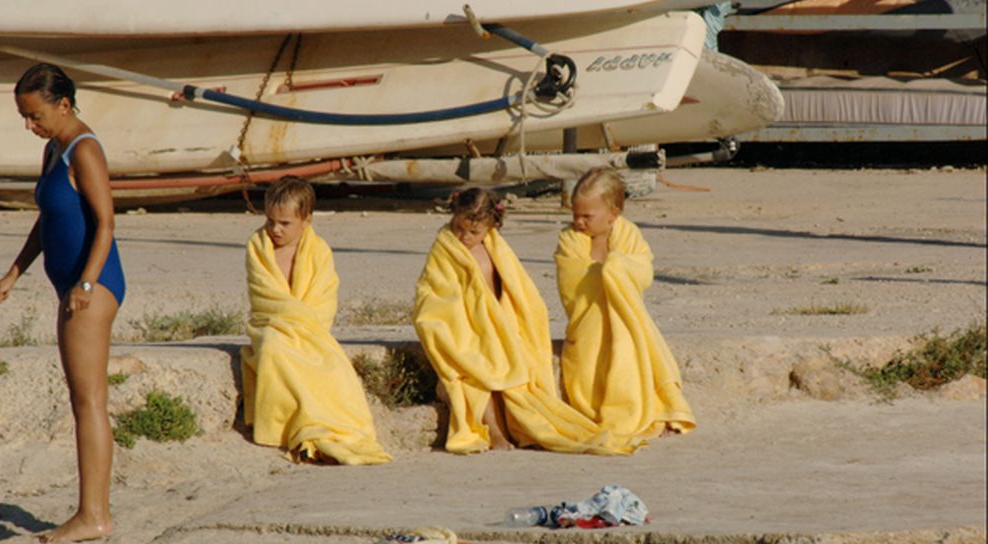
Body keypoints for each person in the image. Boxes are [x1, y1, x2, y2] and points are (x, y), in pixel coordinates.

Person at [0, 63, 125, 543]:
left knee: (89, 402)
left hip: (94, 285)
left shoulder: (84, 149)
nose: (30, 125)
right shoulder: (54, 148)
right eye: (24, 117)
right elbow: (47, 218)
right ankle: (91, 512)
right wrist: (15, 271)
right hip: (71, 284)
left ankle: (94, 516)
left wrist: (85, 285)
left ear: (63, 105)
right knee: (80, 399)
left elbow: (106, 223)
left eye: (35, 115)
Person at [413, 188, 632, 455]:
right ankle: (493, 428)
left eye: (474, 232)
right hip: (464, 327)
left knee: (507, 365)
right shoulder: (445, 248)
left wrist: (520, 317)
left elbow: (518, 287)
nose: (464, 237)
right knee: (474, 372)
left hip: (498, 325)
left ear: (491, 228)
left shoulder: (496, 247)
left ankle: (519, 425)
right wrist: (444, 322)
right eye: (459, 228)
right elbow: (434, 292)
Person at [240, 176, 391, 465]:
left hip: (311, 330)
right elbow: (264, 298)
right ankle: (301, 428)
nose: (275, 229)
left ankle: (321, 428)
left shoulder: (319, 251)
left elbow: (323, 303)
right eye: (270, 220)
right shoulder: (258, 247)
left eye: (285, 223)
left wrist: (303, 328)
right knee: (274, 348)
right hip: (269, 326)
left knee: (332, 366)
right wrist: (290, 325)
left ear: (306, 220)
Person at [555, 167, 696, 446]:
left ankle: (637, 413)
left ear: (613, 214)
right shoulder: (569, 239)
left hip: (625, 321)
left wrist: (616, 268)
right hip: (588, 324)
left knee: (629, 355)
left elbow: (642, 271)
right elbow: (571, 281)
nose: (579, 222)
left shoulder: (628, 235)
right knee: (585, 371)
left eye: (587, 216)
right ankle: (596, 412)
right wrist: (605, 274)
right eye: (575, 214)